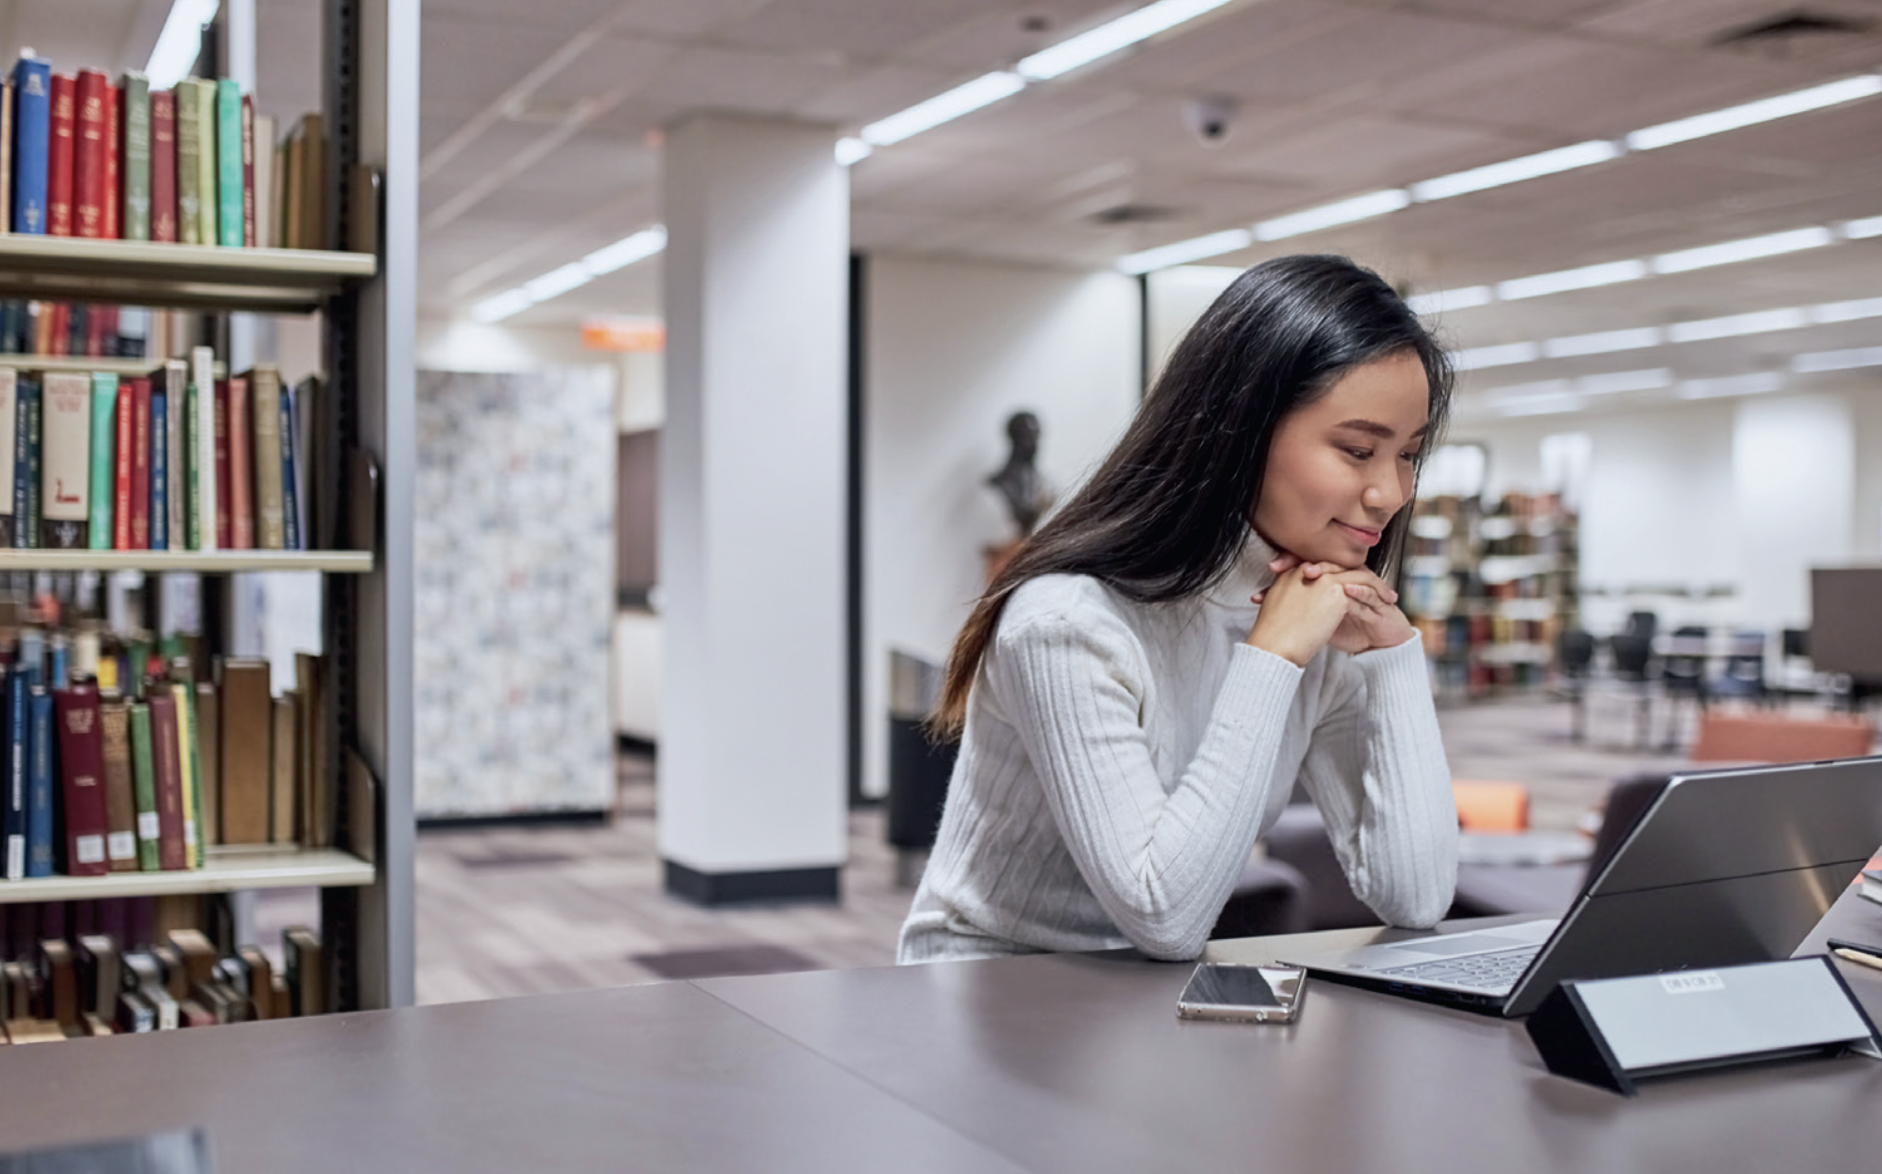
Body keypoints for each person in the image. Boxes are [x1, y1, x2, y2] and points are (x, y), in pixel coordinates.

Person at [898, 254, 1459, 964]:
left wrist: (1394, 657)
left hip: (1143, 999)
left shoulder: (1320, 614)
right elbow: (1165, 914)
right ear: (1243, 427)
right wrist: (1271, 657)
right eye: (1357, 450)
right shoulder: (1066, 622)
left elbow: (1415, 896)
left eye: (1409, 455)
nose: (1391, 492)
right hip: (993, 986)